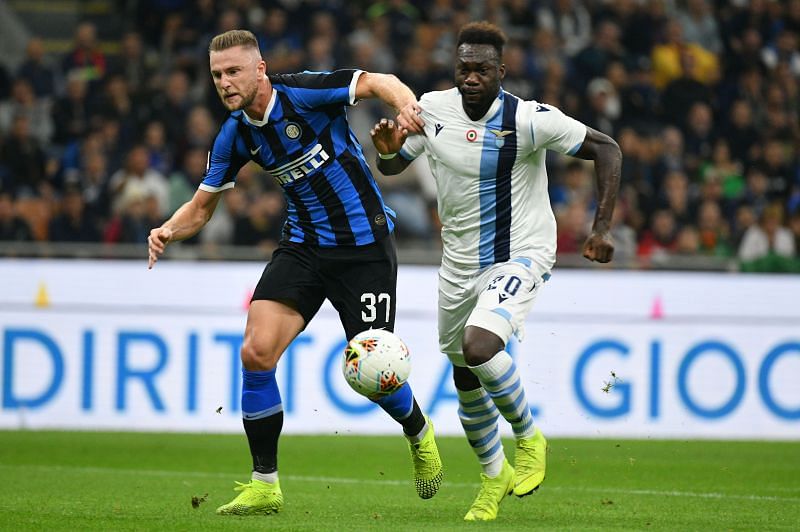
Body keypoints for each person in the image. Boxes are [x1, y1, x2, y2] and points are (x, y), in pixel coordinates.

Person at [147, 29, 442, 516]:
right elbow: (202, 207)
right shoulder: (235, 133)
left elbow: (377, 81)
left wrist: (408, 108)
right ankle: (265, 483)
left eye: (233, 71)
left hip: (363, 248)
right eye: (217, 74)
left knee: (374, 374)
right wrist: (168, 230)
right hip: (303, 247)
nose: (224, 82)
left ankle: (418, 430)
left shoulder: (303, 92)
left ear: (259, 69)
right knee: (256, 352)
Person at [370, 21, 621, 522]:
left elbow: (607, 148)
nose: (471, 77)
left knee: (480, 346)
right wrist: (387, 150)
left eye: (482, 69)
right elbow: (396, 167)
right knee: (465, 374)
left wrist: (602, 228)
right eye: (463, 68)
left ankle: (529, 437)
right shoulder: (432, 109)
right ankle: (493, 477)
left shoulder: (528, 119)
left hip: (521, 251)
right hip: (459, 263)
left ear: (501, 72)